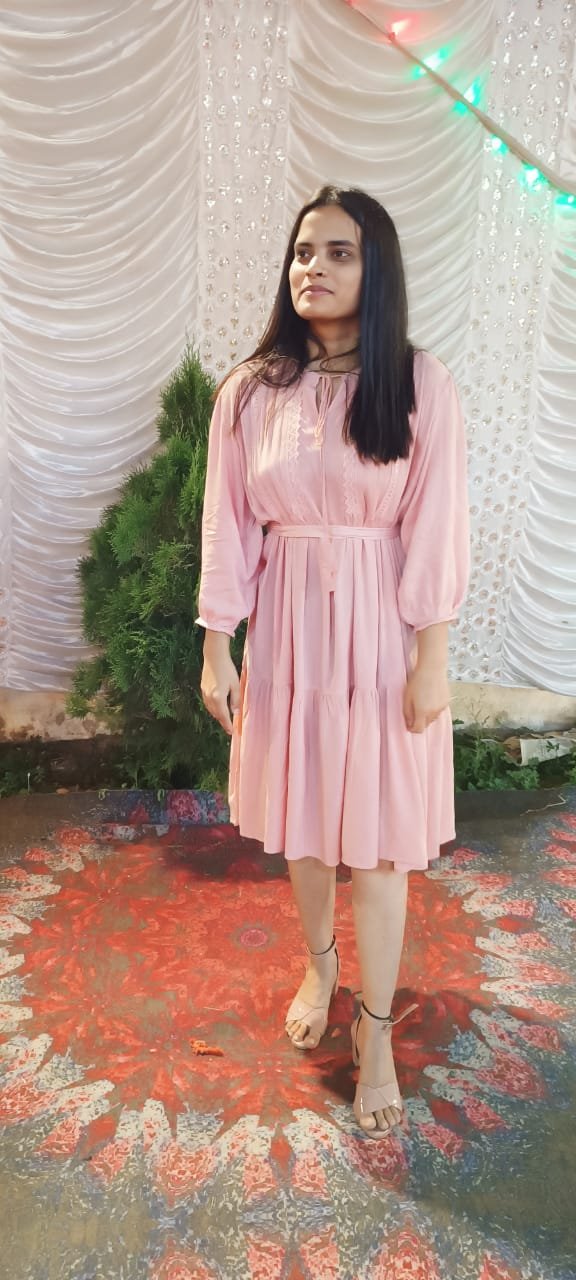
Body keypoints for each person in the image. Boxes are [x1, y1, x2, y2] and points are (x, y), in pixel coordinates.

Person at [196, 185, 469, 1139]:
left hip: (384, 632)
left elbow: (437, 524)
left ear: (376, 268)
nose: (312, 267)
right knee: (307, 826)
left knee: (382, 843)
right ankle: (321, 968)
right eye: (303, 251)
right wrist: (217, 643)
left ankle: (378, 1028)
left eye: (339, 252)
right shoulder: (251, 390)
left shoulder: (419, 382)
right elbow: (228, 525)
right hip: (287, 637)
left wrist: (432, 657)